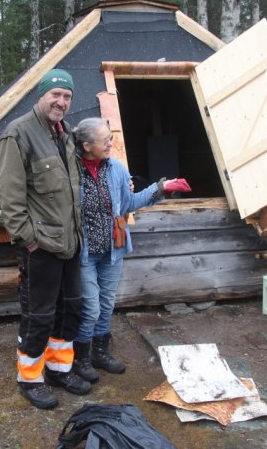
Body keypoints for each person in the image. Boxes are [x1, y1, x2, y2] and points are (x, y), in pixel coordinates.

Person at [0, 68, 91, 410]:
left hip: (70, 243)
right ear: (42, 95)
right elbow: (8, 197)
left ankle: (59, 369)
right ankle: (30, 378)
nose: (61, 102)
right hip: (41, 247)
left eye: (67, 96)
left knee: (69, 308)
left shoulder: (65, 135)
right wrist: (29, 241)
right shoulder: (18, 134)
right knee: (39, 315)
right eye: (56, 95)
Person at [70, 117, 189, 383]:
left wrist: (160, 188)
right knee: (90, 309)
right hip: (85, 253)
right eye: (104, 140)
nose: (110, 144)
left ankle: (100, 353)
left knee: (106, 304)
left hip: (113, 248)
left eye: (110, 138)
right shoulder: (70, 171)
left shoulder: (118, 169)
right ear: (87, 145)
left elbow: (128, 204)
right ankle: (80, 359)